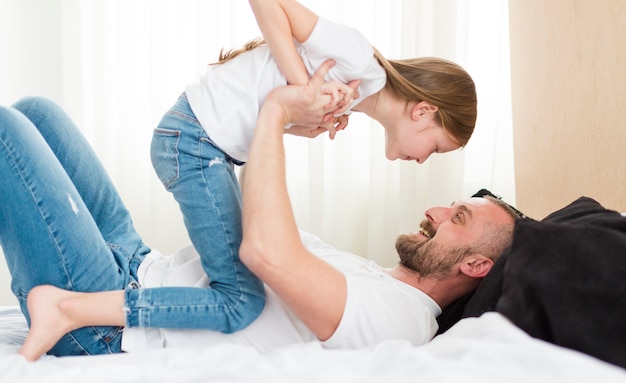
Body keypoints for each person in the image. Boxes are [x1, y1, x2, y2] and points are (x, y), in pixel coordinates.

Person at [3, 64, 514, 362]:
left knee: (7, 131)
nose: (435, 209)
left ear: (475, 265)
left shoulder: (401, 321)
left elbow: (264, 251)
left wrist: (275, 112)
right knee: (37, 110)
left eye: (458, 218)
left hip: (109, 326)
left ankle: (65, 309)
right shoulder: (369, 273)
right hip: (139, 262)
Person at [150, 0, 478, 339]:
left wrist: (297, 121)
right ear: (423, 111)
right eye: (436, 148)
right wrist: (301, 88)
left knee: (242, 280)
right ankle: (109, 311)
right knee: (239, 297)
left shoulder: (353, 91)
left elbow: (264, 104)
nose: (424, 160)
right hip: (193, 139)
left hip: (207, 144)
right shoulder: (357, 58)